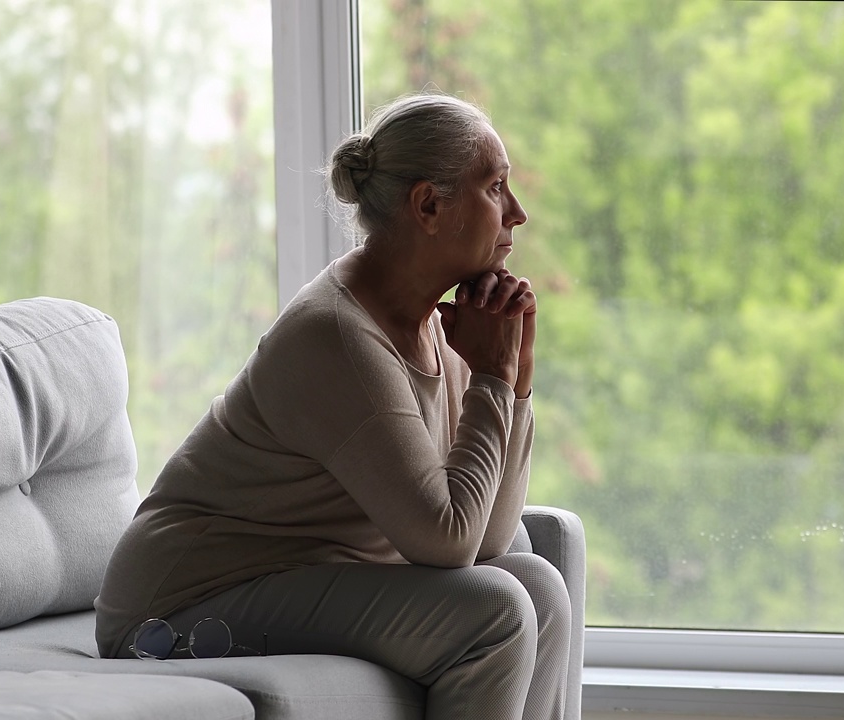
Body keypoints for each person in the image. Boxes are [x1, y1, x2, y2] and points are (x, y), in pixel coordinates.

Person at [95, 92, 572, 720]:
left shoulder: (434, 322)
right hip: (177, 607)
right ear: (429, 205)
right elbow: (450, 542)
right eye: (497, 187)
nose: (519, 213)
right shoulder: (338, 337)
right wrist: (491, 375)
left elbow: (491, 539)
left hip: (293, 579)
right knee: (499, 611)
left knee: (539, 588)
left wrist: (515, 380)